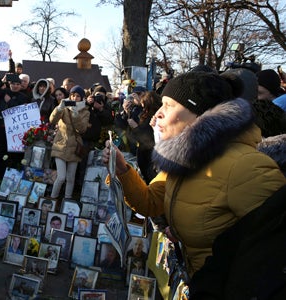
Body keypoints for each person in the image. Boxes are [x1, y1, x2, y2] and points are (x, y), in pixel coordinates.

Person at [102, 71, 285, 283]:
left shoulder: (246, 167)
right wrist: (122, 169)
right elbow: (150, 202)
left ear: (200, 115)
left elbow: (273, 263)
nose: (158, 114)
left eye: (168, 105)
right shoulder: (181, 159)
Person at [49, 85, 90, 199]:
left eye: (78, 96)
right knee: (61, 177)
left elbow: (82, 129)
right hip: (61, 144)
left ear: (82, 98)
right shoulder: (64, 106)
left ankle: (67, 201)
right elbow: (52, 120)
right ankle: (53, 199)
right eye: (73, 95)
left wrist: (76, 114)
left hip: (75, 147)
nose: (75, 98)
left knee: (70, 178)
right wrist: (59, 108)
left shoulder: (85, 111)